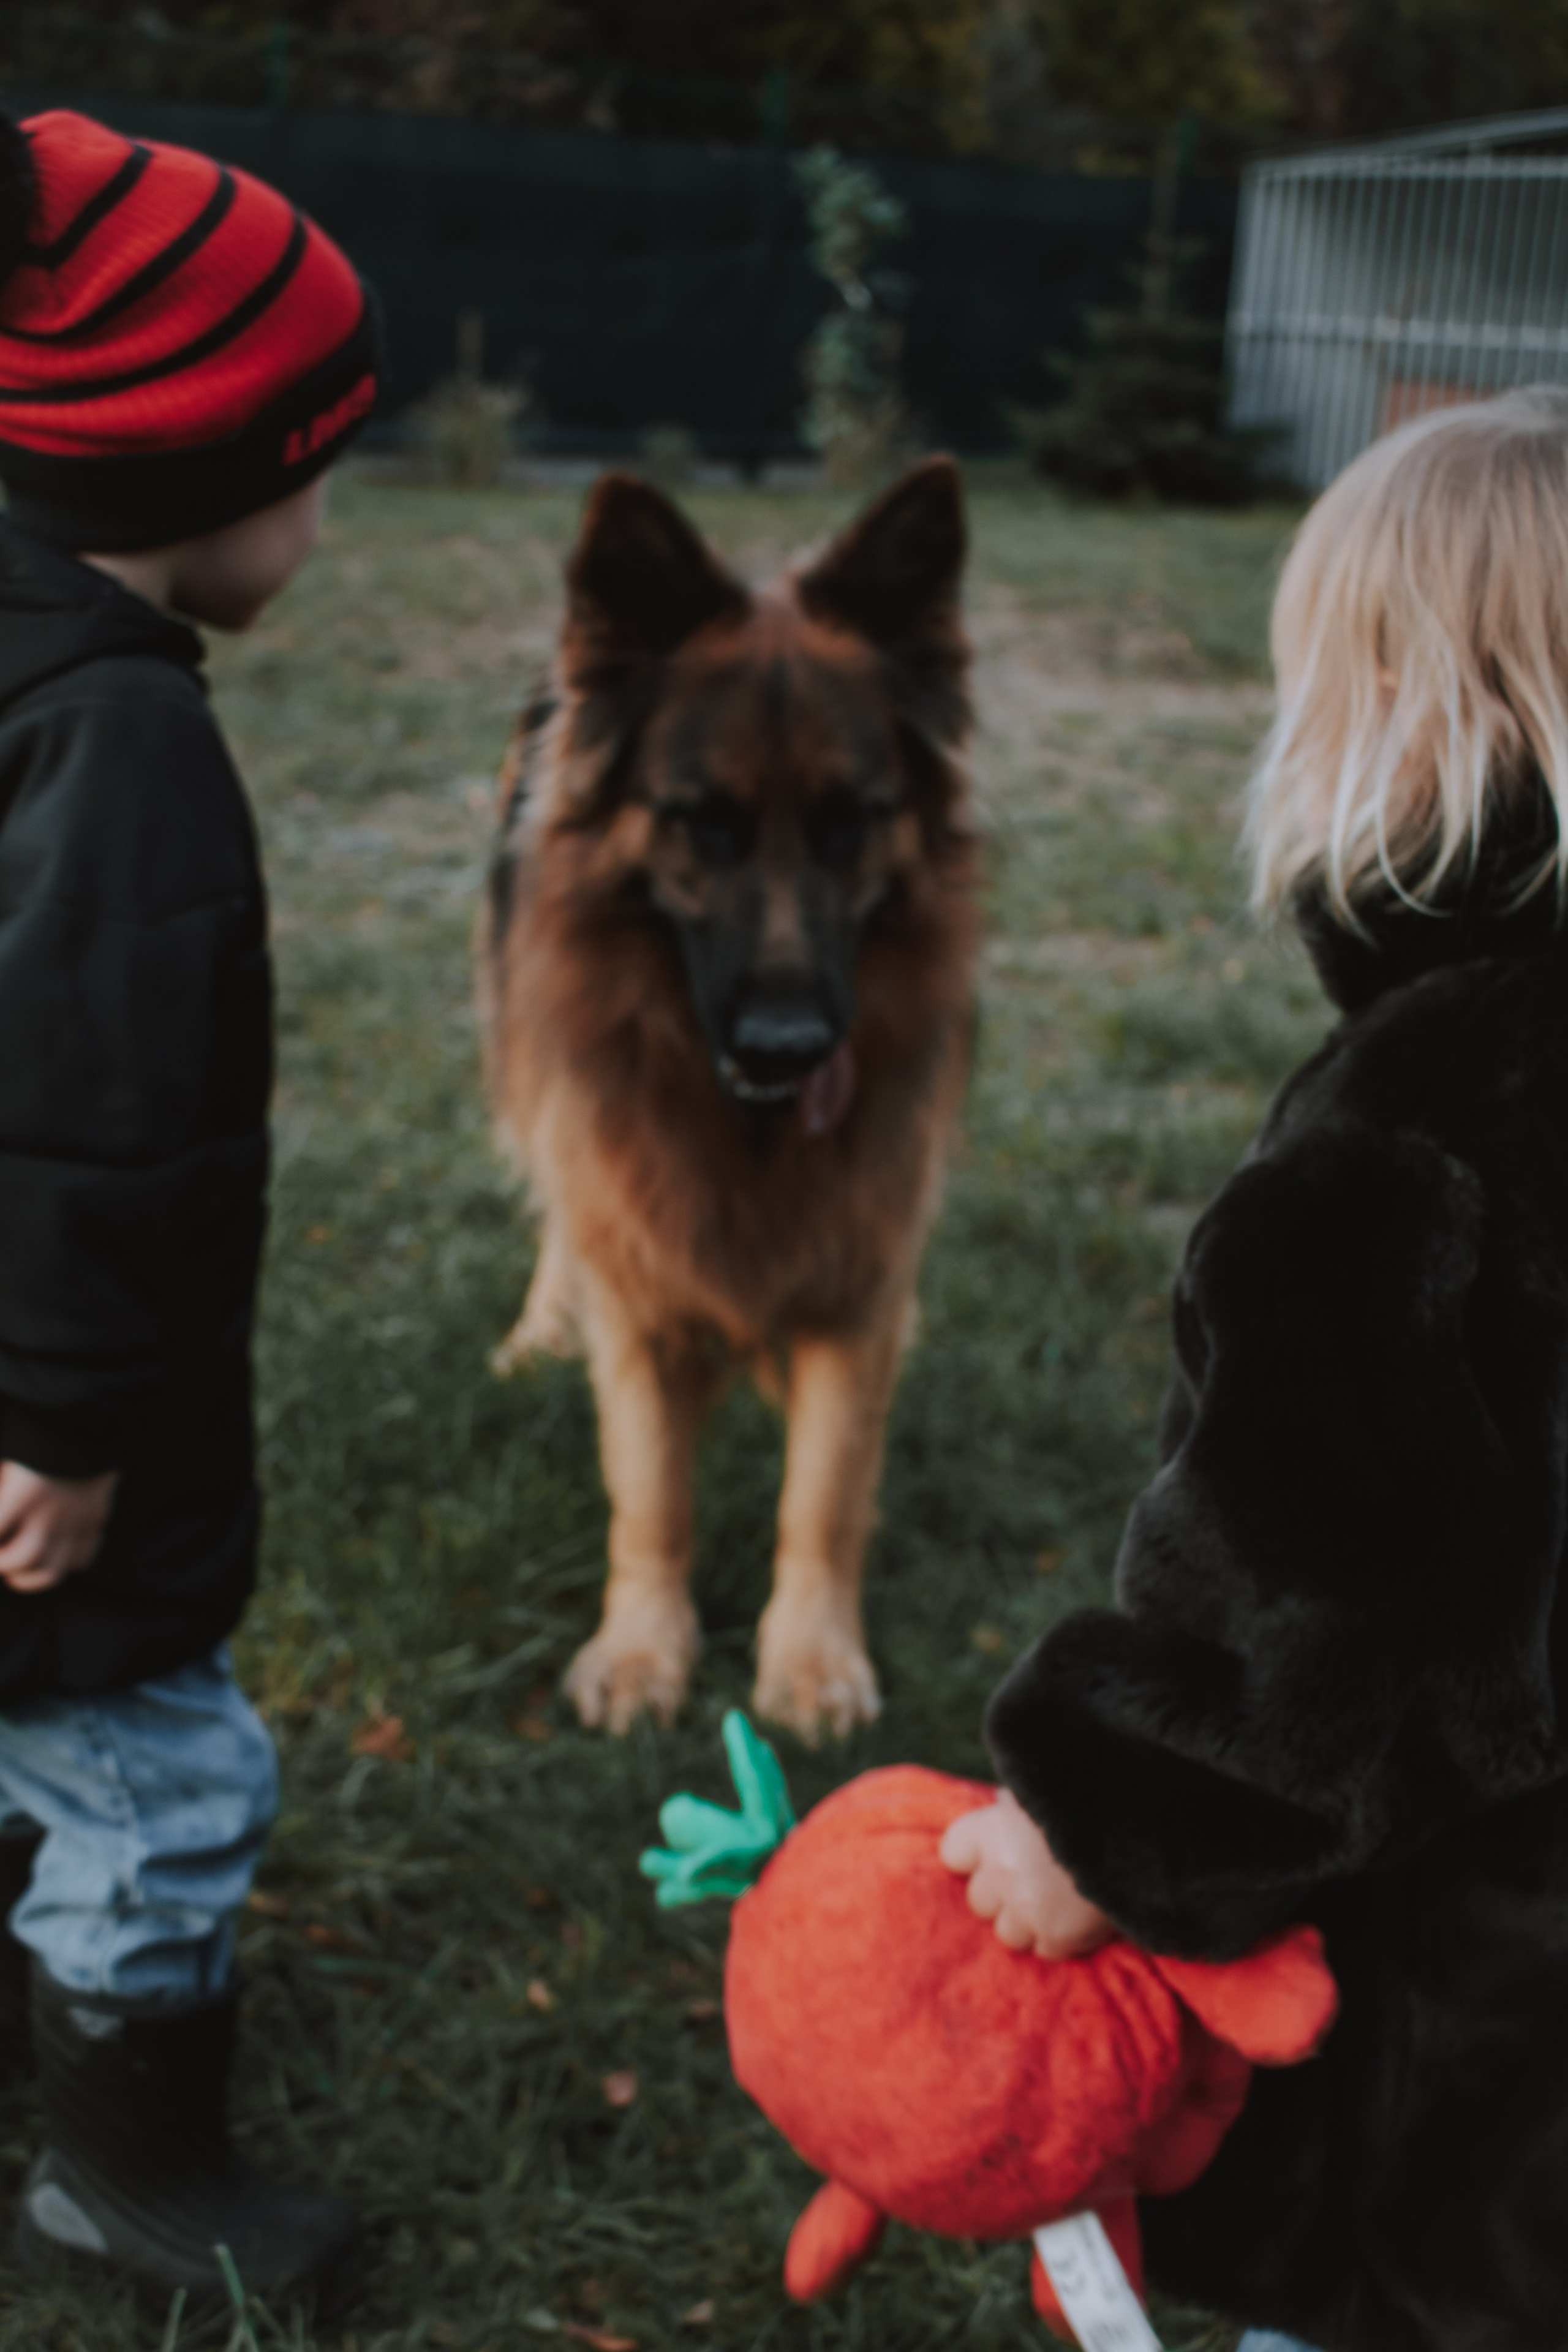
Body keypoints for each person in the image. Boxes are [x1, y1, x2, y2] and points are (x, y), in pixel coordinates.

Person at [941, 385, 1568, 2352]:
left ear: (1391, 720)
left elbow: (1309, 1565)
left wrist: (1102, 1826)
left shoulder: (1424, 1113)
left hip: (1495, 2006)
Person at [0, 105, 378, 2313]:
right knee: (151, 1775)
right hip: (63, 1444)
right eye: (320, 462)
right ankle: (120, 2185)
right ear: (191, 478)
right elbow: (88, 1129)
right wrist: (58, 1421)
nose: (329, 513)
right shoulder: (121, 748)